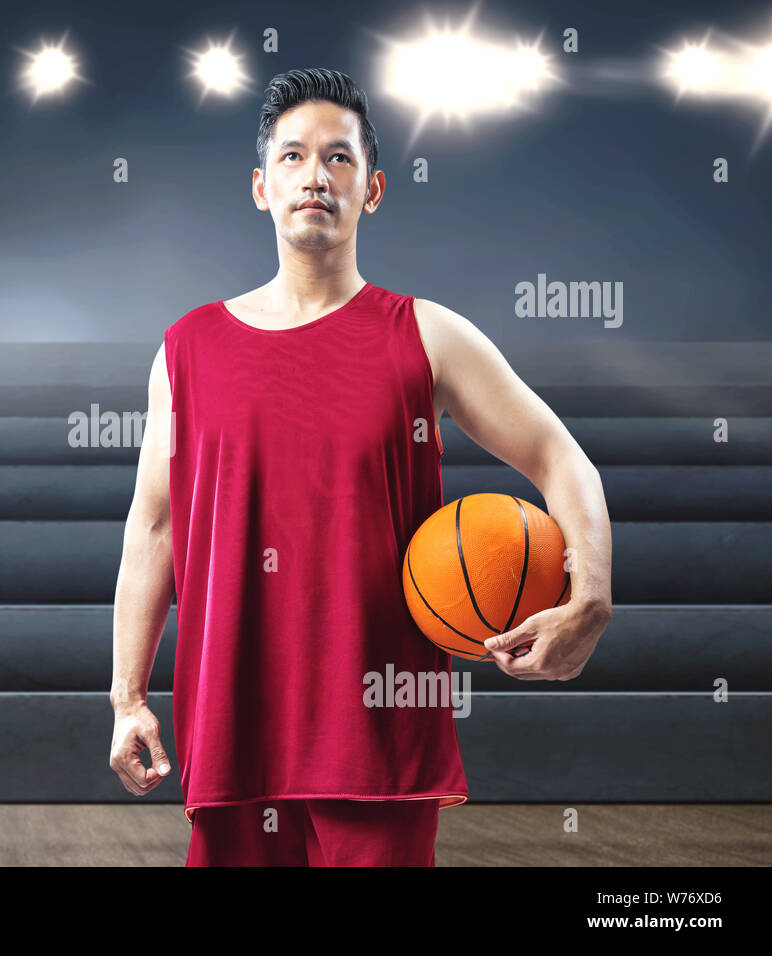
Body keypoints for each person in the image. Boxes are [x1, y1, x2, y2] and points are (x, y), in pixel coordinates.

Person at [109, 68, 613, 866]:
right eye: (294, 157)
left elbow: (561, 458)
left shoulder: (428, 336)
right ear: (260, 186)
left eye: (339, 158)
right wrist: (128, 698)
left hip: (378, 739)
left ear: (373, 189)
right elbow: (155, 526)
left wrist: (590, 596)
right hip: (232, 732)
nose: (316, 175)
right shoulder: (186, 350)